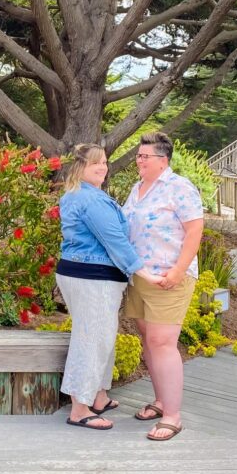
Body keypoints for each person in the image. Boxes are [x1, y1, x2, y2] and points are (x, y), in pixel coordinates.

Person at [56, 143, 162, 431]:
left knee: (102, 334)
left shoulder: (80, 194)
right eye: (95, 164)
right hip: (92, 277)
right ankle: (79, 407)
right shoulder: (90, 200)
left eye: (104, 162)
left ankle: (98, 395)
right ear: (80, 168)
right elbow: (114, 240)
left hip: (84, 274)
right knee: (92, 338)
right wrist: (143, 273)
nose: (103, 167)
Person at [123, 132, 204, 441]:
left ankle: (173, 416)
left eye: (144, 157)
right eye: (139, 156)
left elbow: (195, 229)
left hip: (171, 277)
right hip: (142, 277)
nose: (138, 160)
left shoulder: (179, 188)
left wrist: (178, 271)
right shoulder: (137, 189)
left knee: (162, 342)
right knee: (147, 338)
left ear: (162, 160)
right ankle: (160, 401)